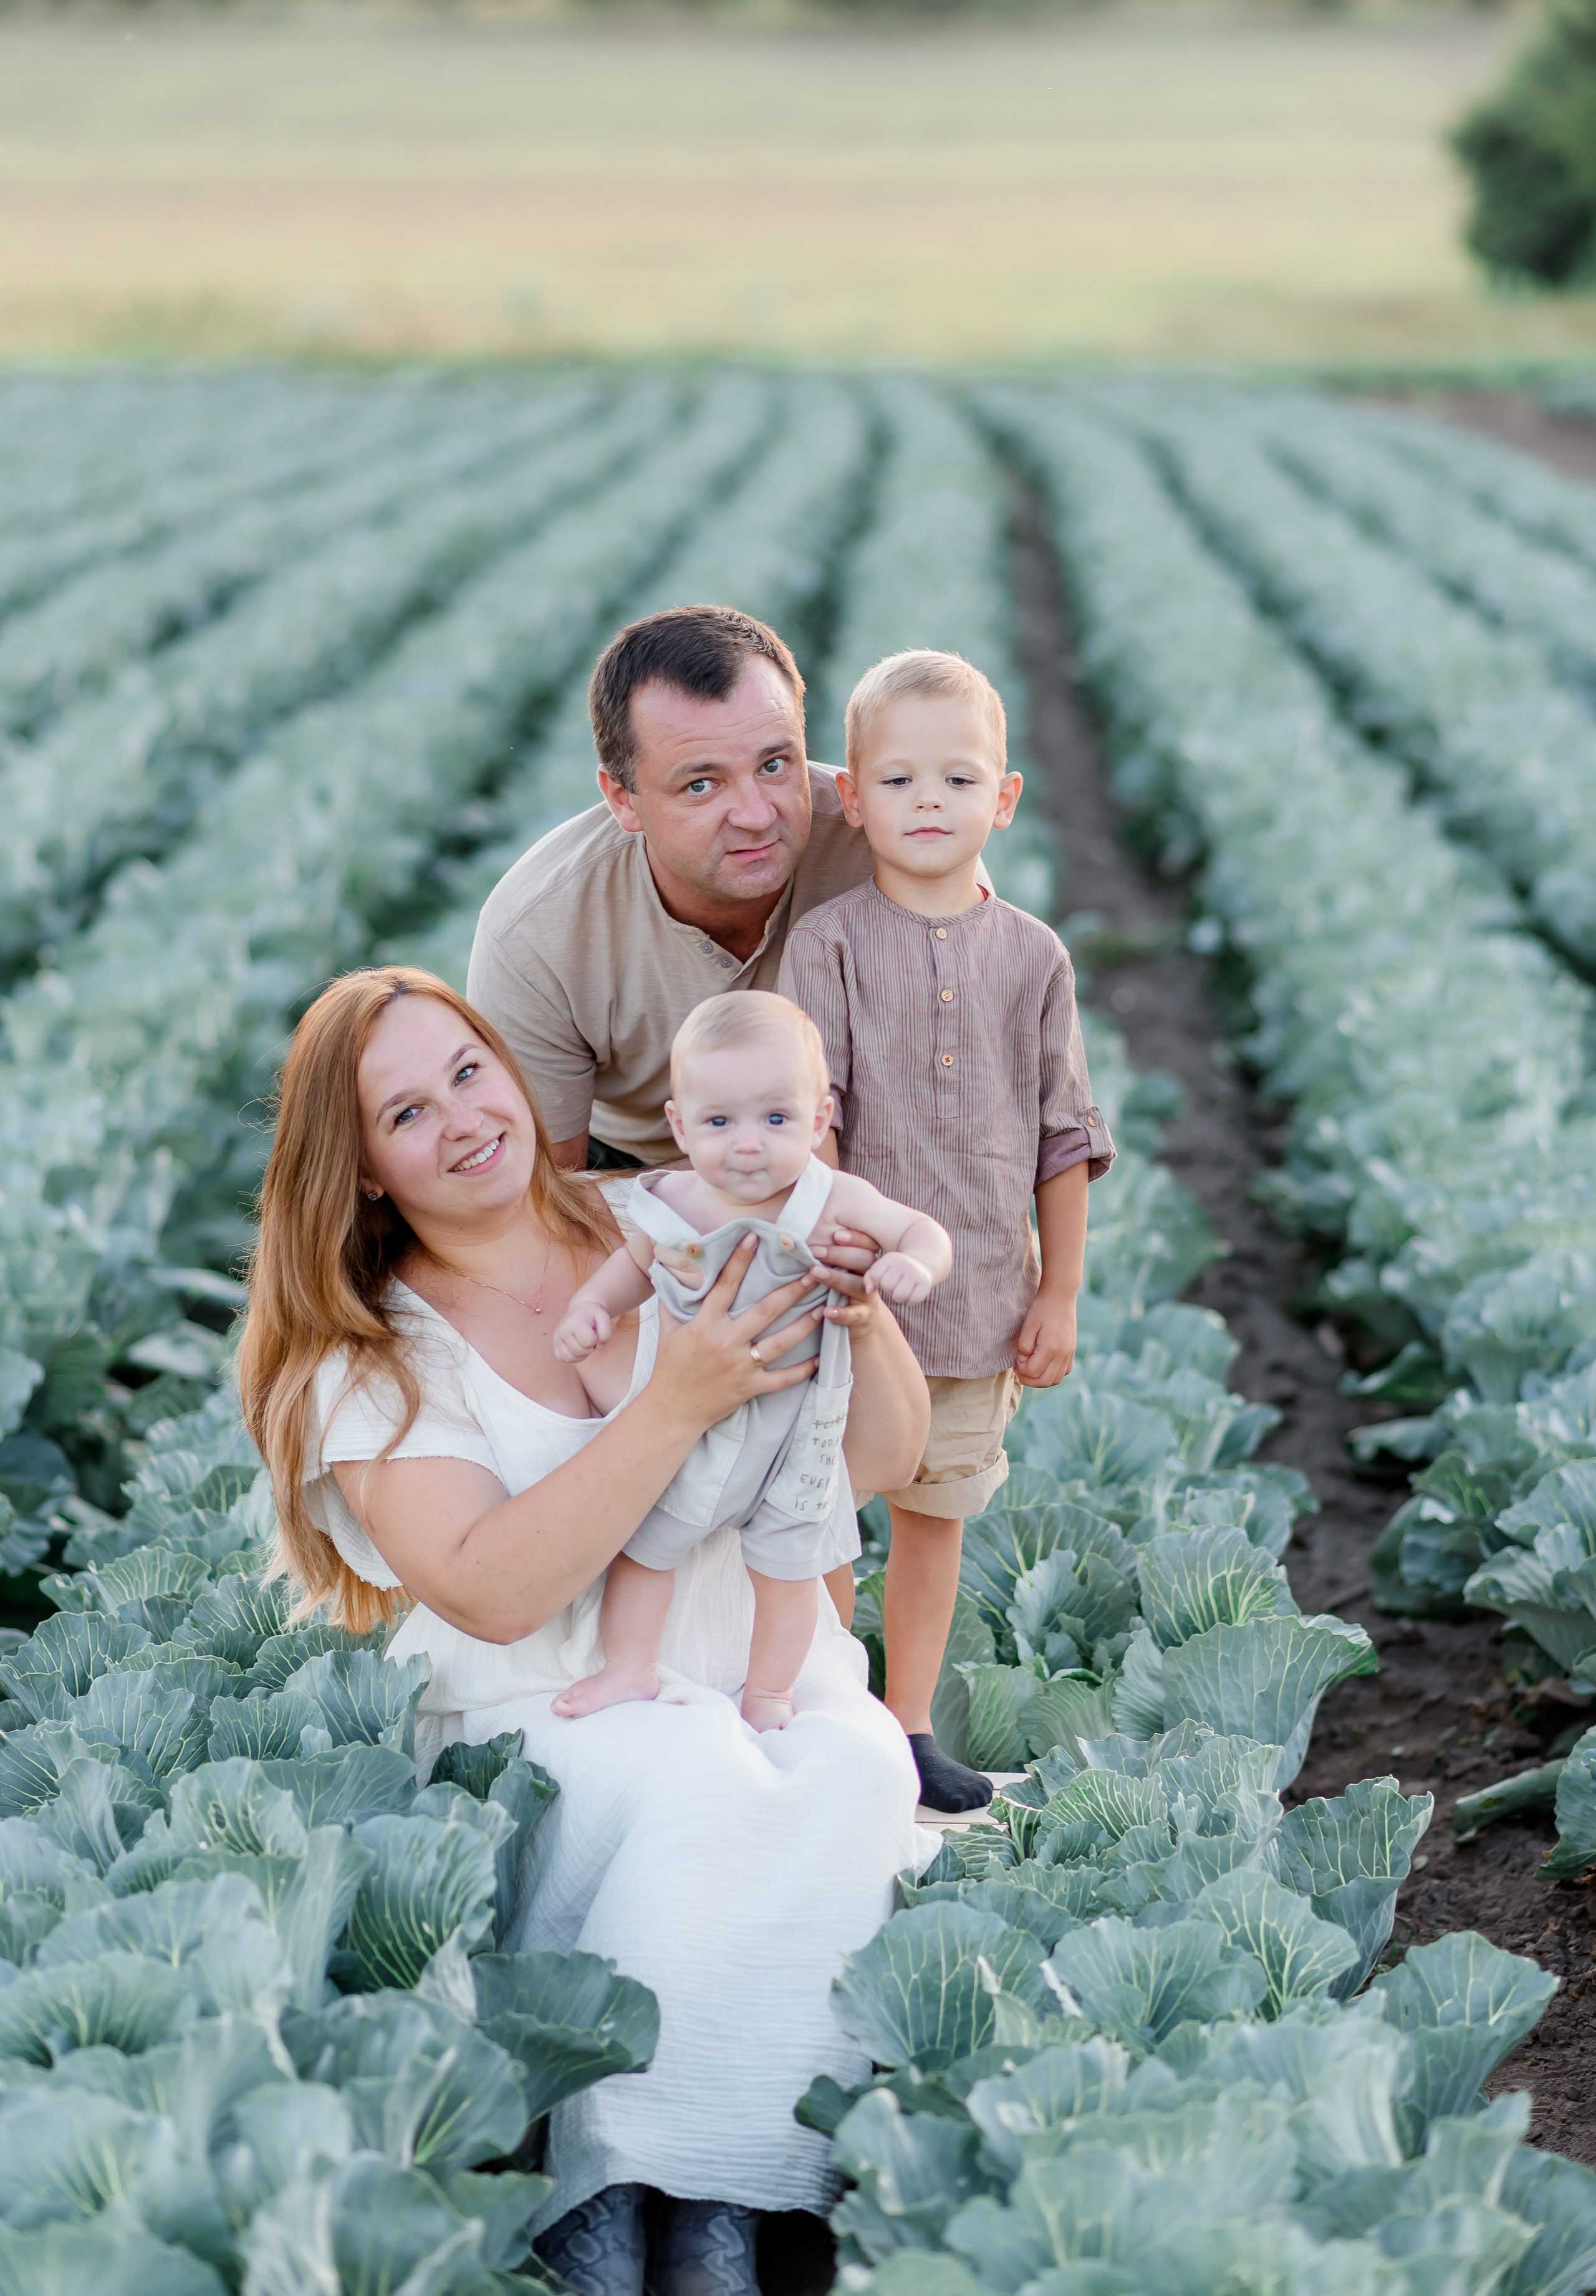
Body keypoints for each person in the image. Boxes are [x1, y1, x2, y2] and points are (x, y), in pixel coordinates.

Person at [236, 965, 932, 2296]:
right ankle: (615, 2184)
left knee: (852, 1764)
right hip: (542, 1706)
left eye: (467, 1069)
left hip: (752, 1664)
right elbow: (492, 1586)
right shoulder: (370, 1349)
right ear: (366, 1168)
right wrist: (674, 1399)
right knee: (692, 1777)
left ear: (508, 1066)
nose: (460, 1116)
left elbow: (868, 1463)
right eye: (405, 1111)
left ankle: (719, 2196)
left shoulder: (666, 1206)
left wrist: (858, 1312)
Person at [466, 602, 994, 1810]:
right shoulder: (541, 930)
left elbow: (962, 1058)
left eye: (773, 763)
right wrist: (677, 1254)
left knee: (871, 1445)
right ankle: (667, 1662)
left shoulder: (879, 838)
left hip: (852, 1157)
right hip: (643, 1186)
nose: (757, 809)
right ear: (621, 796)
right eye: (699, 782)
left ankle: (853, 1707)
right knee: (693, 1442)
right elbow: (534, 1197)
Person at [778, 650, 1117, 1815]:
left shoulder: (1035, 957)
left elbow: (1064, 1139)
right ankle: (820, 1714)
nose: (931, 802)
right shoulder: (824, 943)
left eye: (959, 779)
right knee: (822, 1518)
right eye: (903, 779)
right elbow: (807, 1123)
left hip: (977, 1309)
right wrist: (840, 1246)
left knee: (934, 1520)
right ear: (851, 797)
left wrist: (1058, 1292)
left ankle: (909, 1722)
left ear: (1004, 798)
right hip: (845, 1305)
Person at [551, 991, 951, 1731]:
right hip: (693, 1424)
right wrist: (591, 1309)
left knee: (788, 1573)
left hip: (796, 1430)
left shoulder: (830, 1198)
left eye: (775, 1119)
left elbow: (921, 1230)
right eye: (718, 1122)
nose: (746, 1145)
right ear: (678, 1124)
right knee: (644, 1549)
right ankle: (629, 1665)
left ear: (819, 1118)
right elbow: (630, 1267)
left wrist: (915, 1268)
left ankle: (769, 1694)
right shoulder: (670, 1200)